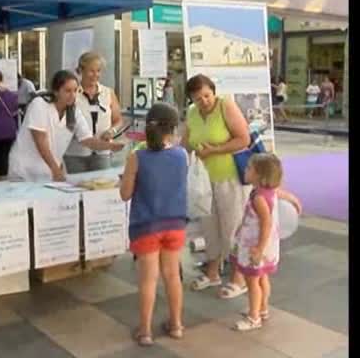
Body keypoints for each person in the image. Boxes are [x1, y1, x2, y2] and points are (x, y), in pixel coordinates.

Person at [120, 103, 188, 346]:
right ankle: (177, 325)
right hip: (175, 223)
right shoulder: (182, 155)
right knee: (172, 276)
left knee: (149, 279)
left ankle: (146, 331)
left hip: (146, 226)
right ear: (174, 127)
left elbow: (125, 195)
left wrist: (127, 179)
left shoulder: (137, 157)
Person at [181, 74, 251, 299]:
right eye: (198, 98)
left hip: (229, 177)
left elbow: (243, 139)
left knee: (233, 227)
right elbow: (185, 143)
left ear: (213, 92)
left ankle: (240, 278)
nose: (204, 101)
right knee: (209, 227)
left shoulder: (225, 106)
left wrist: (214, 150)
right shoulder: (192, 113)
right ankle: (212, 272)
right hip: (204, 181)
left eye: (207, 95)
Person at [8, 70, 124, 182]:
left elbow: (87, 140)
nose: (73, 95)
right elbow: (41, 141)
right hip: (24, 170)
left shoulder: (74, 112)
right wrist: (55, 169)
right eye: (68, 91)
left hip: (46, 173)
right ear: (56, 91)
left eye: (75, 91)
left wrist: (110, 146)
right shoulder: (39, 105)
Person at [231, 153, 302, 331]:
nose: (244, 170)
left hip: (256, 246)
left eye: (248, 168)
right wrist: (295, 200)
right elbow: (282, 194)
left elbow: (266, 224)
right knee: (262, 278)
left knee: (252, 282)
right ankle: (262, 309)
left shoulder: (259, 198)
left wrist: (258, 249)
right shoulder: (267, 192)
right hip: (265, 246)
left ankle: (253, 317)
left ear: (259, 176)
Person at [64, 52, 123, 173]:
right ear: (81, 70)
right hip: (76, 153)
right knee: (77, 187)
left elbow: (118, 119)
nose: (95, 75)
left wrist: (112, 131)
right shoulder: (72, 93)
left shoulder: (108, 93)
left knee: (102, 186)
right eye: (91, 71)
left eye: (98, 71)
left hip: (102, 152)